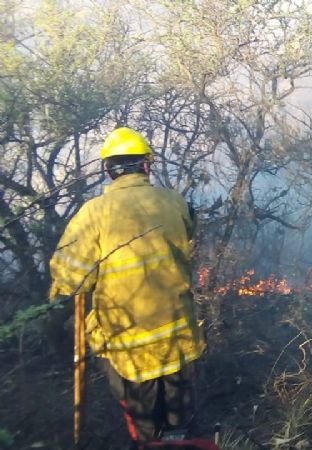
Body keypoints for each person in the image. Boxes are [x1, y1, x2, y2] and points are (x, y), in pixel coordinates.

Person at [49, 127, 206, 449]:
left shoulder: (92, 214)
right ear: (147, 166)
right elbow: (189, 229)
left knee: (145, 429)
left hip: (128, 348)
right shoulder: (173, 201)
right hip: (178, 336)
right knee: (181, 421)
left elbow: (70, 277)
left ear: (108, 171)